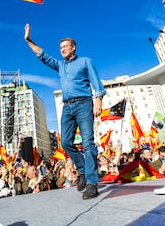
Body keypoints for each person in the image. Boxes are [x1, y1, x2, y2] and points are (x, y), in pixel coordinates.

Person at [24, 23, 106, 199]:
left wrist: (98, 99)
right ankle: (83, 170)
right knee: (66, 142)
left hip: (84, 104)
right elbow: (43, 56)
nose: (61, 50)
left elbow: (96, 81)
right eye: (60, 47)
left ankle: (92, 183)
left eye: (65, 46)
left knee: (88, 142)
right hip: (67, 107)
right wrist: (29, 40)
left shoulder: (85, 61)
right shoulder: (60, 66)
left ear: (73, 47)